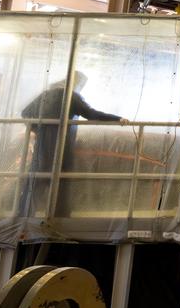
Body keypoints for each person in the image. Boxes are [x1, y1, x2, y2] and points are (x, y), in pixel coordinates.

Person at [20, 71, 122, 215]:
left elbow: (25, 113)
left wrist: (38, 130)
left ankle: (23, 220)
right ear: (77, 83)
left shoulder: (45, 95)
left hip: (42, 149)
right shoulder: (71, 96)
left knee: (34, 186)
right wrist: (118, 119)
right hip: (62, 150)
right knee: (61, 188)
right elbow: (92, 115)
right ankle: (59, 221)